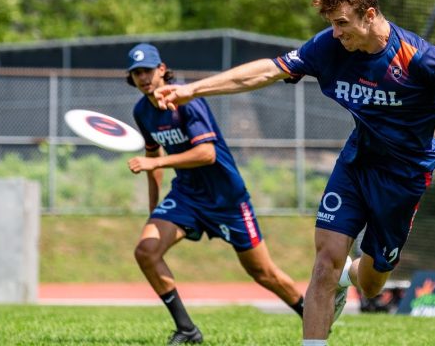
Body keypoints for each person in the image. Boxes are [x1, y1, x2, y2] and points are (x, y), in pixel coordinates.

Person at [154, 0, 435, 345]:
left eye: (342, 23)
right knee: (324, 259)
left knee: (372, 283)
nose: (335, 32)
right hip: (356, 164)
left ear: (370, 15)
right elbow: (267, 71)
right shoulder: (329, 47)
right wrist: (193, 91)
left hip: (403, 178)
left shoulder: (416, 57)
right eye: (331, 23)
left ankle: (349, 275)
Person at [123, 43, 305, 345]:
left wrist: (156, 162)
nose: (142, 77)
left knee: (263, 272)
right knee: (146, 251)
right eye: (136, 73)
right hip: (187, 196)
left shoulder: (187, 101)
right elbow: (152, 157)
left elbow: (206, 153)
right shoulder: (142, 112)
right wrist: (153, 208)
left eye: (147, 70)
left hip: (227, 199)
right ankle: (187, 330)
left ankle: (311, 313)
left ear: (162, 70)